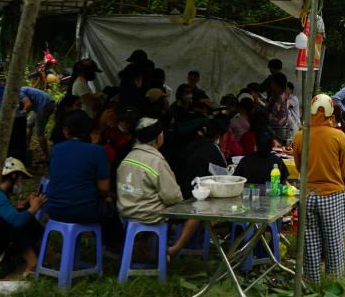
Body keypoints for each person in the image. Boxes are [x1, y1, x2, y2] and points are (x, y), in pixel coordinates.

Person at [115, 117, 199, 258]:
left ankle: (143, 250)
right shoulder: (156, 161)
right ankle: (174, 250)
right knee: (196, 213)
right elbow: (172, 197)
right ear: (159, 137)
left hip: (125, 213)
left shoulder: (128, 157)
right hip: (149, 215)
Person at [292, 94, 345, 282]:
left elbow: (299, 167)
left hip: (307, 195)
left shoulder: (300, 136)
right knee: (334, 243)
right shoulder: (339, 136)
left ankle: (311, 283)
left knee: (310, 243)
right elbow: (342, 169)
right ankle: (334, 284)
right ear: (330, 113)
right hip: (332, 193)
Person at [47, 110, 121, 245]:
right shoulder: (97, 151)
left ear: (66, 131)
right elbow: (103, 188)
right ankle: (113, 245)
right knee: (112, 203)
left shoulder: (56, 149)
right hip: (83, 210)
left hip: (54, 208)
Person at [173, 116, 230, 199]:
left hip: (184, 191)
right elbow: (224, 178)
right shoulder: (212, 149)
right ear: (220, 135)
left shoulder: (193, 144)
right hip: (199, 194)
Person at [19, 86, 55, 161]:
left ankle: (46, 156)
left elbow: (28, 104)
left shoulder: (19, 92)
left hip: (45, 105)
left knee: (39, 132)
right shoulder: (21, 89)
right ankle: (26, 148)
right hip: (43, 104)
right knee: (29, 124)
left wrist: (21, 115)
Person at [267, 72, 291, 144]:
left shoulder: (280, 96)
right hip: (277, 127)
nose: (270, 84)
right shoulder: (277, 94)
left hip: (277, 129)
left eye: (271, 82)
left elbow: (273, 112)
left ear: (275, 83)